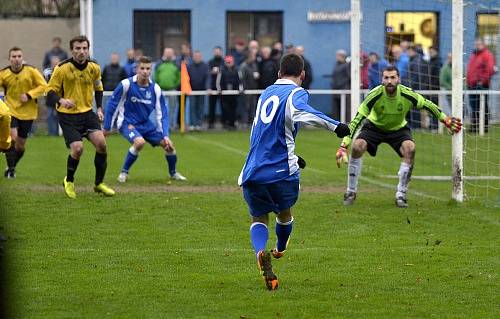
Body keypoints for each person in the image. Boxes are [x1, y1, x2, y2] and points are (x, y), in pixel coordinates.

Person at [238, 53, 350, 290]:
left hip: (252, 170)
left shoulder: (266, 92)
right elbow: (303, 112)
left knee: (258, 216)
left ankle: (260, 252)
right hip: (280, 172)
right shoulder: (296, 92)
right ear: (303, 75)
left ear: (278, 74)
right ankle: (279, 249)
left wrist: (293, 155)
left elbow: (259, 132)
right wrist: (336, 126)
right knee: (284, 212)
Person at [335, 66, 462, 208]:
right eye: (386, 78)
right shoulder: (374, 95)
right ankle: (351, 191)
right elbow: (356, 121)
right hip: (374, 127)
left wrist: (445, 119)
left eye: (393, 77)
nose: (389, 81)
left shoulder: (407, 94)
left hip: (398, 129)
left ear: (398, 79)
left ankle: (401, 194)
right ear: (382, 80)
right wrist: (343, 145)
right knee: (357, 146)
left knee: (410, 148)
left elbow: (428, 104)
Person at [46, 35, 115, 199]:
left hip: (87, 113)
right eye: (78, 48)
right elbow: (49, 94)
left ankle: (99, 184)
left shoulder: (94, 67)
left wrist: (99, 108)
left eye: (84, 48)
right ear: (72, 50)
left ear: (88, 49)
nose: (82, 51)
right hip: (67, 116)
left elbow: (98, 88)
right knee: (78, 149)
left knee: (102, 145)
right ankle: (69, 181)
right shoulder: (62, 68)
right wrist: (61, 100)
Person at [103, 56, 187, 182]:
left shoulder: (155, 89)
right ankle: (124, 173)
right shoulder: (126, 84)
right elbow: (112, 105)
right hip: (127, 123)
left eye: (148, 68)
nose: (145, 71)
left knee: (169, 146)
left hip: (146, 124)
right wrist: (107, 127)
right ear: (137, 69)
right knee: (139, 142)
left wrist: (166, 135)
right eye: (142, 68)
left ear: (151, 70)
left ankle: (173, 173)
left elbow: (162, 114)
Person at [0, 47, 47, 178]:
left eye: (19, 56)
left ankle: (11, 167)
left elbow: (44, 86)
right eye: (14, 57)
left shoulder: (31, 71)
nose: (16, 59)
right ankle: (11, 171)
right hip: (11, 110)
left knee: (20, 146)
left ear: (22, 57)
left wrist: (29, 95)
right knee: (13, 138)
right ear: (9, 59)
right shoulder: (4, 73)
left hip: (28, 113)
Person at [466, 38, 496, 134]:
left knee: (481, 106)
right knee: (473, 106)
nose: (477, 46)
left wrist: (482, 81)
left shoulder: (487, 54)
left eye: (479, 44)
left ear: (483, 44)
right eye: (476, 44)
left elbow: (490, 69)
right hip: (471, 85)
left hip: (480, 85)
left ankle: (483, 127)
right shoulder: (474, 55)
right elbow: (471, 69)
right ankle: (475, 126)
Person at [154, 47, 180, 130]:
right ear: (164, 54)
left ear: (172, 54)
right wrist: (158, 85)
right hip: (161, 89)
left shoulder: (176, 64)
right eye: (167, 52)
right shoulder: (159, 64)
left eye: (170, 53)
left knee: (173, 108)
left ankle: (171, 125)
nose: (168, 54)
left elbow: (179, 77)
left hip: (172, 89)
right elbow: (155, 76)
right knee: (160, 108)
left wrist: (174, 85)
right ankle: (160, 125)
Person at [216, 55, 240, 129]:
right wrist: (220, 90)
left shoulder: (237, 70)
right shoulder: (222, 70)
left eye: (230, 62)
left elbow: (240, 81)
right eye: (227, 62)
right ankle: (225, 123)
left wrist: (239, 90)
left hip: (234, 93)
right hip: (224, 94)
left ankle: (232, 123)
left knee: (233, 109)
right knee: (225, 109)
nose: (229, 63)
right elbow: (218, 82)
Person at [187, 50, 209, 131]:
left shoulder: (205, 66)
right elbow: (186, 78)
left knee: (200, 108)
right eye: (195, 56)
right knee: (192, 108)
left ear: (201, 57)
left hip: (202, 91)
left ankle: (199, 124)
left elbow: (207, 78)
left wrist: (208, 88)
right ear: (193, 57)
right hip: (191, 91)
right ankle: (192, 124)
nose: (197, 58)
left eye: (198, 56)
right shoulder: (189, 66)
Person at [43, 55, 61, 136]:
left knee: (59, 117)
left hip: (59, 98)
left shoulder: (62, 71)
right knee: (50, 116)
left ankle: (58, 133)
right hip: (50, 99)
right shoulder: (47, 72)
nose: (55, 65)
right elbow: (45, 83)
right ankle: (51, 133)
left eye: (57, 63)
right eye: (54, 63)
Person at [331, 49, 351, 120]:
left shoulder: (347, 65)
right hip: (336, 90)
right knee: (337, 109)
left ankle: (348, 123)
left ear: (342, 56)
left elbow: (349, 77)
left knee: (345, 108)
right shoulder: (336, 64)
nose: (337, 57)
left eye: (338, 55)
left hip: (344, 90)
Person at [207, 46, 224, 129]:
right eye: (216, 51)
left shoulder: (223, 62)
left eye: (218, 51)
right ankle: (211, 123)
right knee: (212, 106)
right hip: (213, 87)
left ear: (221, 52)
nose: (217, 53)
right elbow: (208, 75)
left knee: (223, 106)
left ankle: (224, 122)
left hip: (222, 88)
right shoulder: (210, 62)